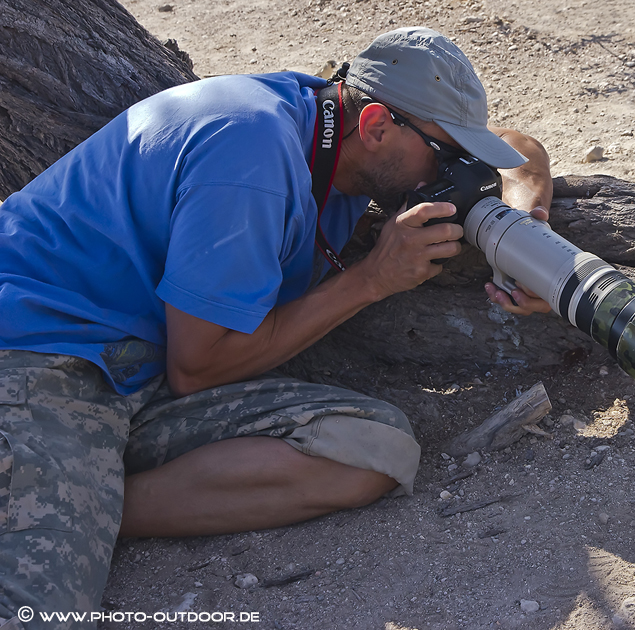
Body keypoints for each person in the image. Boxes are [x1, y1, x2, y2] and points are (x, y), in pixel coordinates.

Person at [0, 27, 551, 627]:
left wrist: (525, 230)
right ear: (374, 127)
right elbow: (197, 370)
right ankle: (60, 504)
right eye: (448, 157)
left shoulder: (338, 126)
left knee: (374, 449)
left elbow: (517, 148)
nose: (454, 173)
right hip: (42, 350)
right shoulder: (250, 154)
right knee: (38, 610)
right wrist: (371, 279)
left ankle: (85, 502)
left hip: (141, 362)